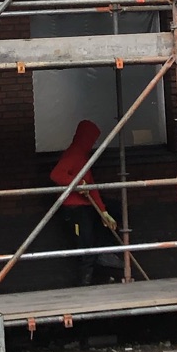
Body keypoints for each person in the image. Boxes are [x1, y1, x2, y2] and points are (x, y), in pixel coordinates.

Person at [49, 118, 119, 285]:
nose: (92, 144)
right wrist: (79, 184)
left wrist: (103, 211)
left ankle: (92, 276)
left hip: (85, 208)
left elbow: (91, 186)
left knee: (91, 241)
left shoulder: (83, 157)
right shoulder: (74, 154)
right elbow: (56, 175)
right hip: (75, 209)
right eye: (91, 139)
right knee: (85, 244)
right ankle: (85, 280)